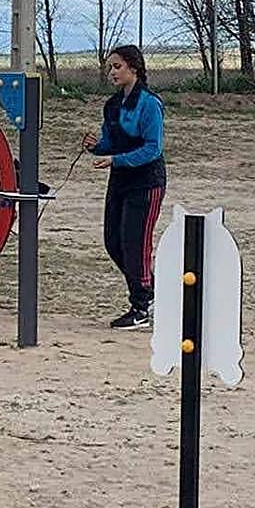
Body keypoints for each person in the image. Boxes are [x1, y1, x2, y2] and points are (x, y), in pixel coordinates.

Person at [82, 45, 166, 330]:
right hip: (120, 180)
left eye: (117, 66)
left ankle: (141, 307)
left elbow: (153, 148)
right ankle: (150, 289)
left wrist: (116, 159)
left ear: (134, 68)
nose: (112, 72)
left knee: (135, 243)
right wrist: (97, 147)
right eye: (110, 67)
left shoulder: (149, 104)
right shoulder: (112, 104)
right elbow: (110, 142)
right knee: (113, 241)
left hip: (146, 181)